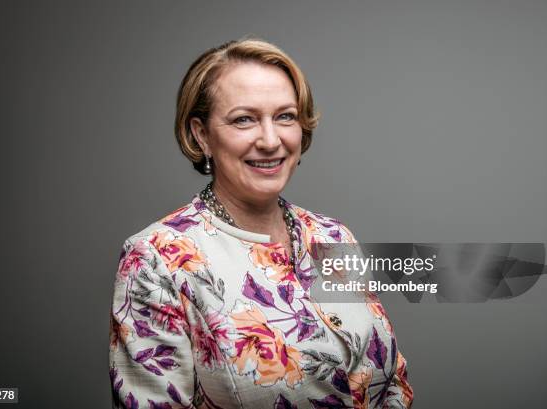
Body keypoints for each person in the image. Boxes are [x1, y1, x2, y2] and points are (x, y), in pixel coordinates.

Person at [109, 38, 413, 408]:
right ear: (201, 134)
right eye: (244, 119)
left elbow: (393, 380)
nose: (271, 140)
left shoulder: (332, 235)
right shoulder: (157, 260)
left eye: (285, 116)